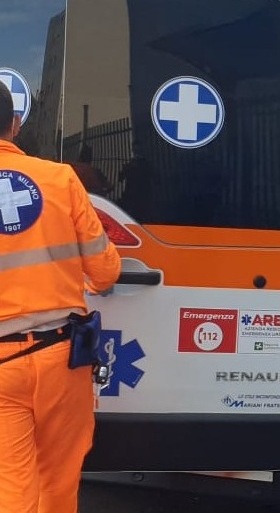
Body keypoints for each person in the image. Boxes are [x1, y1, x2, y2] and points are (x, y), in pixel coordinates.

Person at [0, 81, 121, 512]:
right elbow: (106, 271)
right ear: (15, 124)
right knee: (58, 480)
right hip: (59, 355)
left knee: (10, 485)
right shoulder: (60, 179)